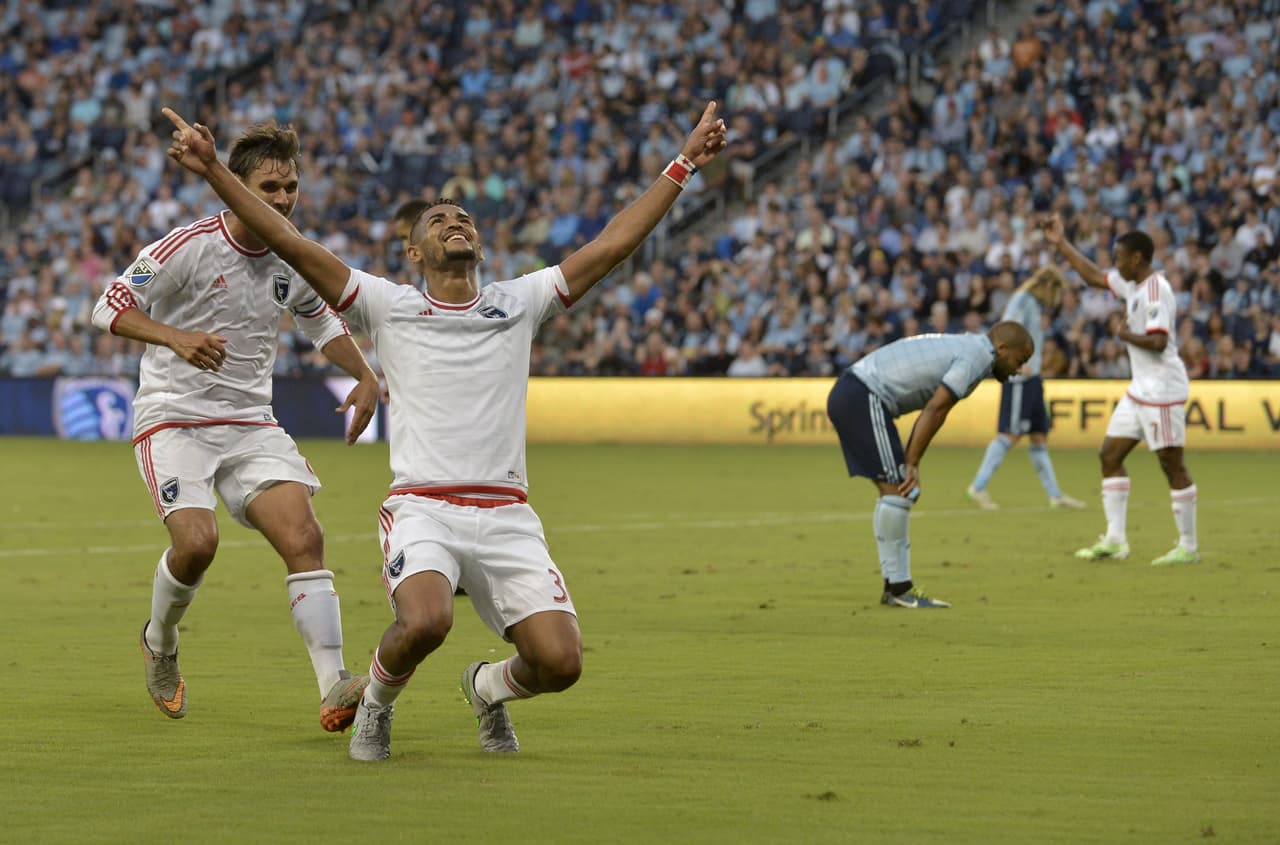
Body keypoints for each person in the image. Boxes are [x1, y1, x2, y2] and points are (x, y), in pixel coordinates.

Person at [161, 102, 727, 760]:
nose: (455, 223)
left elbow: (612, 245)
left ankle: (487, 686)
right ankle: (374, 701)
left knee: (561, 663)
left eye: (463, 218)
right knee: (427, 618)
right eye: (439, 220)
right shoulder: (389, 305)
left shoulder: (519, 301)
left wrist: (682, 164)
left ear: (477, 243)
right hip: (424, 505)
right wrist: (212, 172)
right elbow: (290, 243)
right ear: (414, 251)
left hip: (508, 511)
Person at [89, 122, 381, 731]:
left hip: (250, 423)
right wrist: (176, 337)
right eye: (269, 187)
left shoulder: (292, 256)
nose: (281, 199)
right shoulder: (185, 246)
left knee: (305, 537)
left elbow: (321, 322)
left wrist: (365, 375)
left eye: (290, 187)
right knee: (197, 545)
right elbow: (108, 305)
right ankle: (161, 641)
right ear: (237, 186)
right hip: (174, 417)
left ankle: (335, 686)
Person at [826, 322, 1034, 609]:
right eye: (1019, 361)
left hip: (855, 391)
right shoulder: (978, 356)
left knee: (895, 491)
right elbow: (937, 408)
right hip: (863, 394)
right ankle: (898, 589)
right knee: (898, 491)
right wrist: (912, 462)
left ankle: (896, 588)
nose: (1019, 369)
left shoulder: (969, 346)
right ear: (1001, 349)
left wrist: (910, 460)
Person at [1040, 213, 1199, 565]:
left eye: (1119, 258)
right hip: (1140, 390)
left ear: (1137, 258)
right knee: (1109, 455)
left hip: (1163, 391)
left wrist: (1124, 335)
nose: (1115, 264)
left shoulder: (1158, 290)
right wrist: (1061, 243)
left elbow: (1158, 343)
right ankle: (1115, 541)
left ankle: (1188, 546)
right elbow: (1093, 276)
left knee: (1171, 463)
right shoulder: (1132, 286)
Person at [966, 265, 1086, 510]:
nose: (1057, 300)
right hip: (1020, 379)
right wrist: (1016, 364)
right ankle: (977, 487)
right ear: (1049, 286)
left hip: (1034, 380)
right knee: (1010, 435)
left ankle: (1055, 495)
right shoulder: (1022, 300)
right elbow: (1006, 332)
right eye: (1057, 292)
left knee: (1039, 436)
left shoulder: (1031, 303)